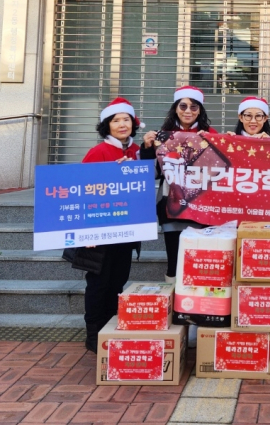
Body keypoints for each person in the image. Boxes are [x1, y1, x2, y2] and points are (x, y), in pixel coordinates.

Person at [81, 97, 143, 352]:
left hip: (126, 230)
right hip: (100, 231)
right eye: (115, 120)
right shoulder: (98, 152)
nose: (121, 124)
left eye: (126, 119)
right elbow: (82, 190)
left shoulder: (137, 151)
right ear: (107, 125)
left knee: (117, 281)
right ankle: (94, 334)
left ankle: (109, 328)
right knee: (98, 283)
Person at [140, 86, 218, 283]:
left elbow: (222, 171)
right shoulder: (163, 136)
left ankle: (197, 304)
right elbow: (154, 174)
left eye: (194, 106)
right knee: (174, 259)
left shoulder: (211, 135)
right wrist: (148, 149)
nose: (188, 111)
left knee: (201, 257)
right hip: (171, 204)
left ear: (200, 110)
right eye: (183, 105)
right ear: (175, 108)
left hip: (203, 204)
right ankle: (175, 308)